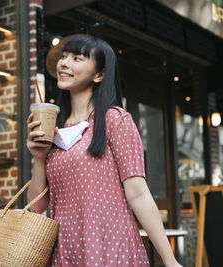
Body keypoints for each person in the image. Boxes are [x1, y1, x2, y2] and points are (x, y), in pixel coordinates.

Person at [27, 34, 182, 267]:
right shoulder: (55, 129)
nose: (64, 63)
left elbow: (138, 194)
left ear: (99, 74)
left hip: (110, 249)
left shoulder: (115, 120)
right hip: (65, 253)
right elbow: (37, 208)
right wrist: (39, 159)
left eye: (77, 58)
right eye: (64, 56)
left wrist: (169, 261)